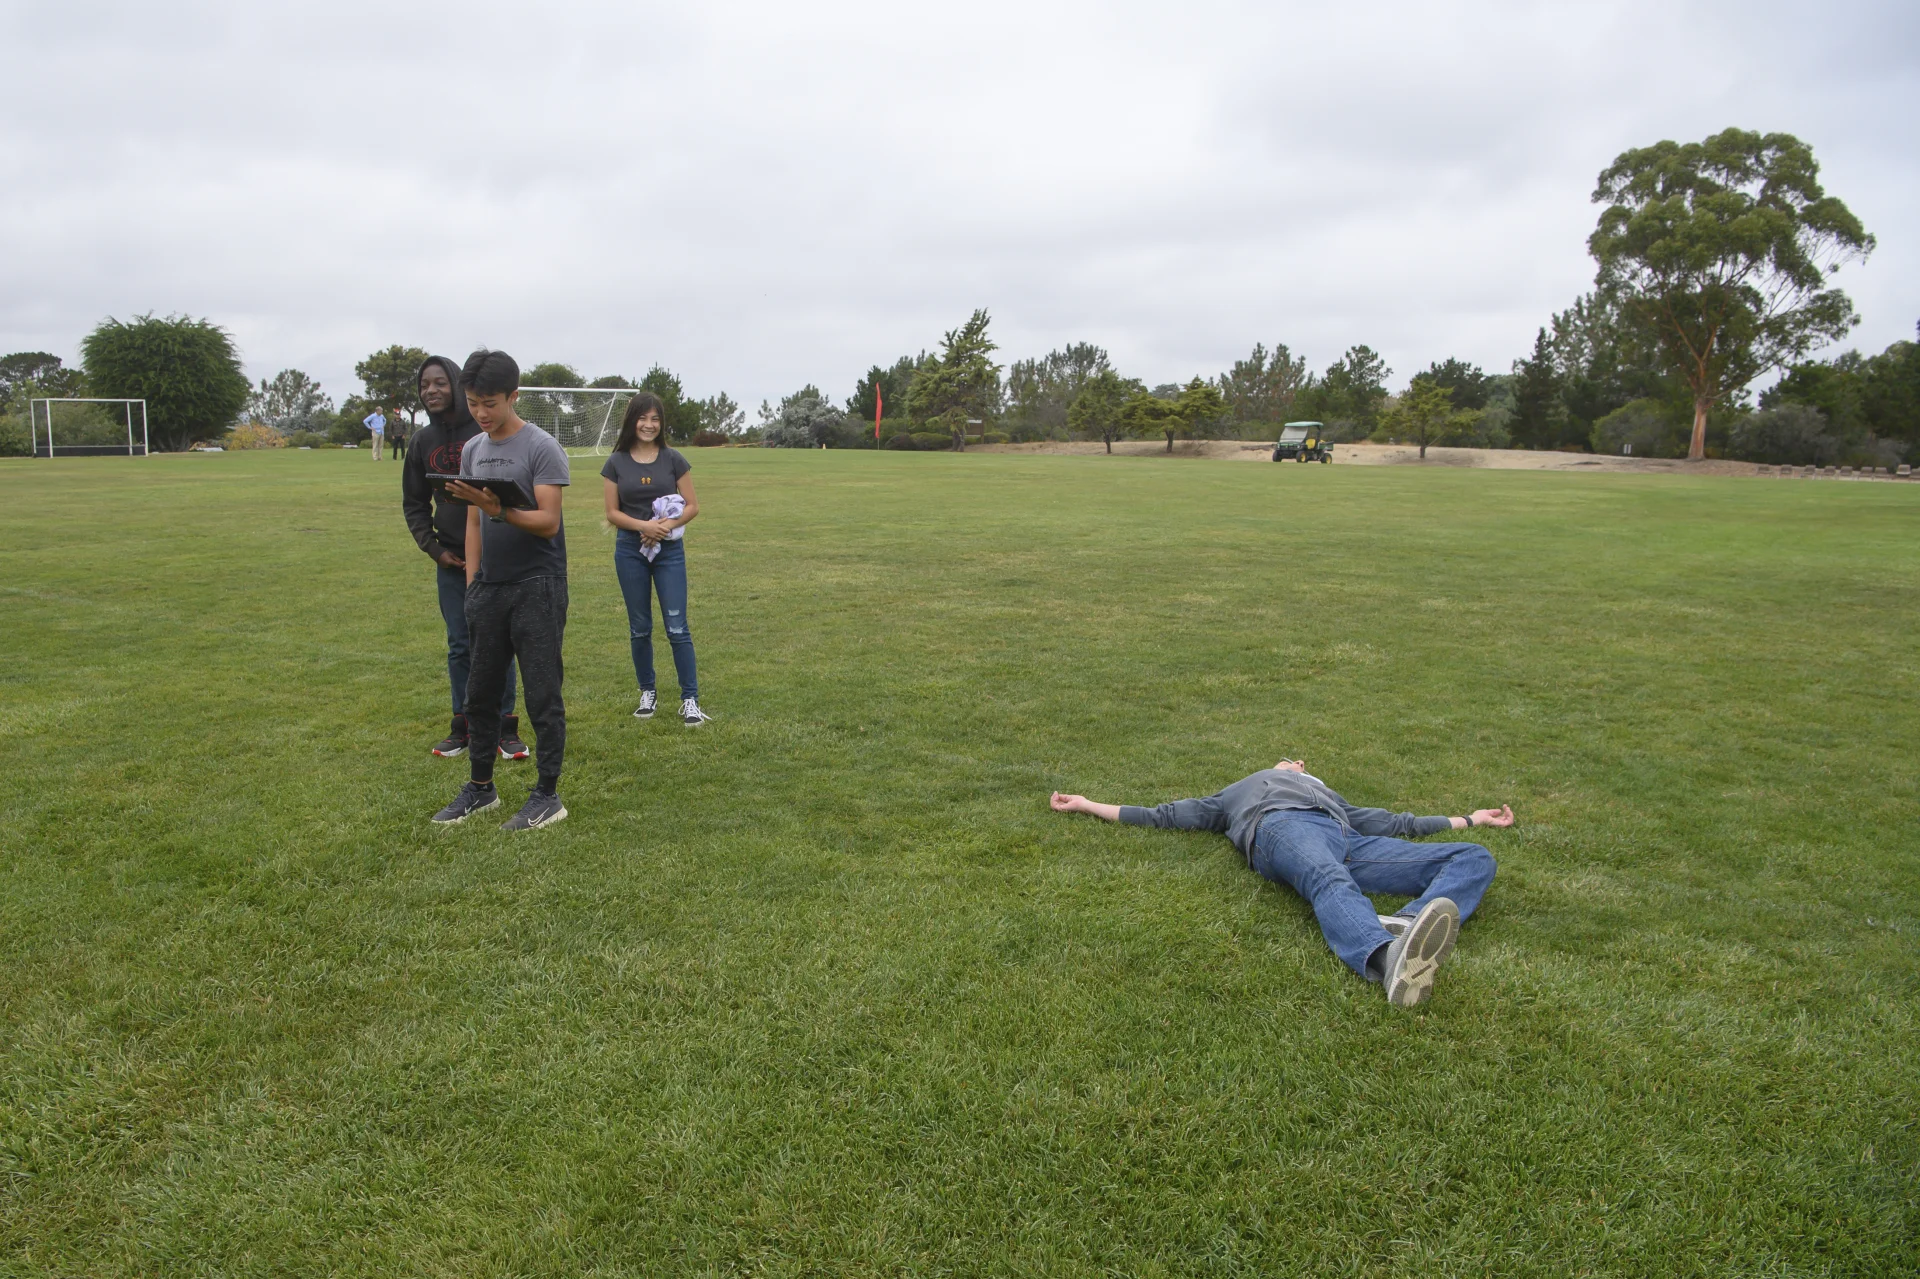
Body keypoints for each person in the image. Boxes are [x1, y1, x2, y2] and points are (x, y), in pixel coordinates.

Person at [1049, 759, 1511, 1007]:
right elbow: (1163, 815)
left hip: (1349, 841)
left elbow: (1396, 823)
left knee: (1474, 858)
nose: (1297, 762)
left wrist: (1471, 820)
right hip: (1280, 829)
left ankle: (1406, 925)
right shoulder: (1243, 789)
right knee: (1327, 878)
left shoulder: (1329, 795)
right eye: (1290, 760)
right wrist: (1089, 804)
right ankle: (1386, 958)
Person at [431, 349, 571, 830]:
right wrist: (474, 584)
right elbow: (473, 521)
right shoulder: (474, 449)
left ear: (514, 396)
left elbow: (548, 522)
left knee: (542, 695)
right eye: (473, 403)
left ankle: (547, 795)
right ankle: (481, 788)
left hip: (538, 585)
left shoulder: (542, 447)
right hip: (488, 588)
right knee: (481, 693)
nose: (481, 413)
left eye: (489, 403)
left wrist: (500, 511)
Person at [401, 354, 528, 761]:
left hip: (497, 558)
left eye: (439, 382)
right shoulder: (422, 442)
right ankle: (465, 724)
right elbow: (414, 504)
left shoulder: (485, 429)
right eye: (424, 384)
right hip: (452, 562)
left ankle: (505, 726)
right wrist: (435, 550)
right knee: (460, 644)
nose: (431, 390)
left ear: (456, 384)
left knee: (499, 642)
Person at [601, 392, 710, 725]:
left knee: (677, 627)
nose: (649, 425)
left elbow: (692, 505)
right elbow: (612, 512)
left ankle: (689, 699)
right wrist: (644, 527)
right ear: (631, 421)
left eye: (655, 419)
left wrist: (664, 528)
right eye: (643, 418)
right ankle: (647, 692)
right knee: (639, 628)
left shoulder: (674, 459)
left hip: (669, 552)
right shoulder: (616, 462)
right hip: (629, 550)